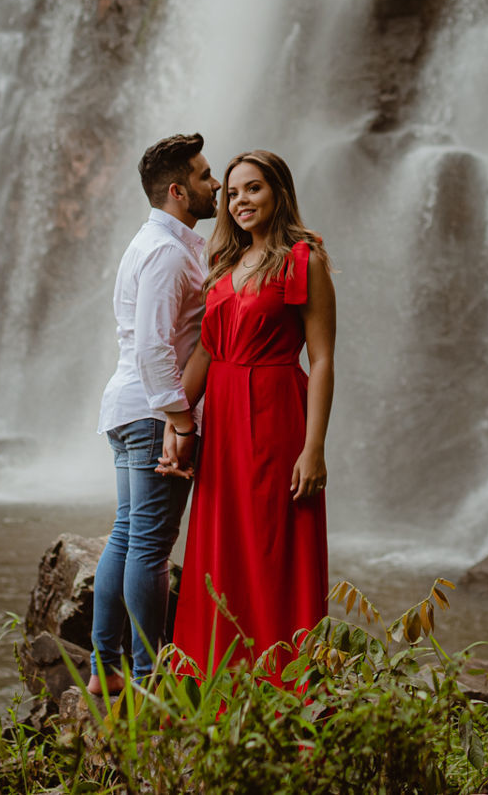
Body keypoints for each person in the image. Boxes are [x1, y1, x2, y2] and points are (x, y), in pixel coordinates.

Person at [164, 149, 336, 679]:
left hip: (277, 416)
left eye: (253, 188)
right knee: (223, 549)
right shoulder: (223, 264)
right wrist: (175, 420)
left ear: (279, 192)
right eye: (233, 192)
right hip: (223, 424)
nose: (240, 201)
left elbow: (322, 358)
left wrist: (313, 449)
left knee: (275, 547)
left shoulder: (304, 260)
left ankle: (285, 682)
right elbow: (206, 350)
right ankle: (216, 683)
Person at [88, 132, 220, 695]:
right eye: (204, 176)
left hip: (129, 407)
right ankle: (145, 677)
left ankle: (105, 670)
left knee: (127, 534)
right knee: (150, 543)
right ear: (177, 191)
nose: (216, 184)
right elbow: (153, 348)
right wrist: (180, 420)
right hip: (151, 414)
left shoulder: (158, 241)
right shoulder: (167, 252)